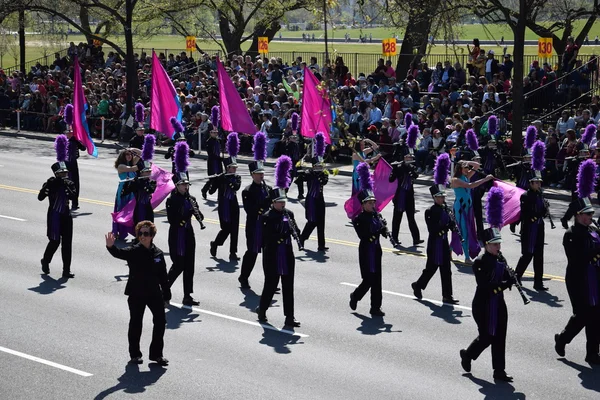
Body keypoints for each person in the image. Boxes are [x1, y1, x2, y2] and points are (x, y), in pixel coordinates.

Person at [105, 221, 170, 366]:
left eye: (146, 234)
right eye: (140, 233)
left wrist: (167, 294)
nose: (142, 236)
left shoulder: (158, 253)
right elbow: (119, 253)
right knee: (136, 323)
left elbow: (163, 276)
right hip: (137, 293)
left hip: (154, 293)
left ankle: (157, 355)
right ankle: (135, 355)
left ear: (152, 235)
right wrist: (110, 246)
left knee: (160, 322)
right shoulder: (134, 251)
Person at [459, 227, 515, 382]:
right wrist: (505, 283)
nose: (498, 247)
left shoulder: (500, 260)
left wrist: (511, 277)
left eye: (499, 244)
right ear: (486, 245)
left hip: (498, 304)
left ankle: (499, 371)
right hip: (483, 304)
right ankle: (468, 354)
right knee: (487, 336)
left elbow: (504, 277)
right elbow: (485, 285)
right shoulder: (479, 263)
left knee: (500, 336)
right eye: (495, 244)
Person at [554, 182, 600, 364]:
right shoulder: (571, 234)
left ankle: (592, 353)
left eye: (591, 214)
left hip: (594, 278)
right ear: (578, 215)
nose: (591, 216)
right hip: (578, 278)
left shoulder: (592, 230)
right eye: (587, 214)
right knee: (582, 314)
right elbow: (578, 258)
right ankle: (563, 338)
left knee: (596, 314)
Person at [256, 156, 301, 327]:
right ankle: (262, 310)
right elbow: (267, 237)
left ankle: (289, 317)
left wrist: (297, 234)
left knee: (288, 286)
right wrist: (283, 233)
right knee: (271, 284)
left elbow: (296, 229)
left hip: (287, 253)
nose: (283, 204)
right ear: (273, 202)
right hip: (272, 254)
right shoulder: (267, 217)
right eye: (279, 202)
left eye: (284, 201)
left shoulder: (289, 214)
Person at [166, 142, 205, 306]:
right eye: (183, 185)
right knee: (178, 265)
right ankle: (164, 290)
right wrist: (186, 214)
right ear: (177, 185)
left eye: (187, 184)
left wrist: (198, 215)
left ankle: (187, 295)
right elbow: (172, 220)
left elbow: (200, 214)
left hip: (189, 234)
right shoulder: (172, 200)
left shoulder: (191, 198)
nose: (186, 187)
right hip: (177, 235)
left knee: (190, 266)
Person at [349, 162, 386, 316]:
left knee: (377, 279)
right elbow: (363, 235)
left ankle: (375, 307)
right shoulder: (358, 219)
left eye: (373, 202)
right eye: (370, 203)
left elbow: (380, 232)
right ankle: (355, 295)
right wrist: (378, 229)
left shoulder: (377, 215)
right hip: (366, 250)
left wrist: (384, 229)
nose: (373, 205)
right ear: (363, 204)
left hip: (376, 249)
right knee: (368, 279)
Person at [412, 184, 458, 304]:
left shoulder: (446, 209)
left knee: (446, 270)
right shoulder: (430, 211)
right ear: (434, 197)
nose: (442, 199)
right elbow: (433, 229)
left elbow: (449, 223)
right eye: (439, 197)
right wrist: (446, 226)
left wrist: (453, 226)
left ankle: (447, 296)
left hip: (443, 242)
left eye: (443, 197)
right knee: (431, 268)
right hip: (434, 243)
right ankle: (418, 285)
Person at [39, 152, 77, 278]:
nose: (65, 175)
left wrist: (65, 185)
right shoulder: (51, 183)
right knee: (54, 242)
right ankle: (46, 260)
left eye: (65, 173)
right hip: (54, 215)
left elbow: (74, 197)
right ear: (56, 174)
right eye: (62, 173)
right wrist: (48, 186)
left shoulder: (69, 183)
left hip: (66, 215)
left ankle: (66, 270)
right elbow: (40, 198)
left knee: (67, 244)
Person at [450, 160, 493, 263]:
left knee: (465, 231)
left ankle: (449, 250)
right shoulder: (456, 180)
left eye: (468, 168)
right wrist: (485, 179)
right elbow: (470, 186)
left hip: (468, 208)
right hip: (460, 209)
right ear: (460, 169)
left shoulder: (466, 176)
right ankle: (467, 257)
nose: (468, 169)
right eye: (465, 168)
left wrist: (466, 162)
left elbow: (477, 165)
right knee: (463, 231)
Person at [514, 170, 548, 291]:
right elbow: (526, 213)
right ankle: (517, 276)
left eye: (540, 183)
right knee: (528, 254)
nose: (539, 185)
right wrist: (539, 213)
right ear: (531, 183)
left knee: (539, 256)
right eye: (536, 183)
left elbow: (542, 214)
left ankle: (538, 283)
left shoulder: (540, 195)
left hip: (539, 227)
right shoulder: (525, 196)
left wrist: (545, 209)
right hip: (529, 228)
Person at [209, 154, 242, 261]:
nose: (235, 169)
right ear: (227, 168)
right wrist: (214, 180)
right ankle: (215, 243)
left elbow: (236, 187)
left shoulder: (237, 177)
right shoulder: (221, 177)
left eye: (235, 167)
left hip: (233, 205)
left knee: (234, 230)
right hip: (224, 206)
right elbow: (211, 191)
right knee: (226, 229)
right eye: (233, 167)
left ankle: (233, 252)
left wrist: (227, 179)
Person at [298, 145, 329, 252]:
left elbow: (324, 181)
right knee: (312, 222)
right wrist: (301, 172)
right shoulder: (309, 173)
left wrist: (321, 175)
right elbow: (301, 179)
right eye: (318, 166)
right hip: (311, 200)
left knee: (321, 223)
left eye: (321, 165)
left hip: (320, 199)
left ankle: (321, 245)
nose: (320, 167)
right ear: (314, 166)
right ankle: (302, 238)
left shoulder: (323, 175)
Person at [389, 152, 422, 247]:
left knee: (411, 218)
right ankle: (394, 238)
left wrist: (409, 168)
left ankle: (416, 239)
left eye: (411, 157)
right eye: (408, 157)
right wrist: (394, 169)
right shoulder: (398, 166)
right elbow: (390, 179)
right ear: (404, 157)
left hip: (409, 196)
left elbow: (415, 176)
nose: (410, 158)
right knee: (397, 218)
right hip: (400, 196)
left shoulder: (412, 167)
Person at [113, 147, 143, 239]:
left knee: (132, 211)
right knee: (123, 210)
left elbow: (140, 152)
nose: (129, 156)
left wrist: (131, 148)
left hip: (132, 190)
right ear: (123, 156)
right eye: (127, 154)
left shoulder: (131, 163)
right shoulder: (121, 166)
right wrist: (143, 164)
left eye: (130, 154)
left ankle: (132, 230)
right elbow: (133, 169)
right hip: (124, 190)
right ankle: (120, 231)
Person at [65, 129, 86, 210]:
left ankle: (74, 203)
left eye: (70, 132)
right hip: (64, 164)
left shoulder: (75, 141)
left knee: (75, 183)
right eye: (68, 132)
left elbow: (83, 148)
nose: (69, 134)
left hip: (73, 163)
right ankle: (65, 201)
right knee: (65, 183)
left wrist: (78, 141)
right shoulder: (62, 140)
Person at [202, 128, 222, 199]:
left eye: (216, 132)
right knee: (212, 178)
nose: (215, 134)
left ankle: (219, 196)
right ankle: (204, 190)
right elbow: (210, 153)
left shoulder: (218, 140)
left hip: (218, 161)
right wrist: (217, 157)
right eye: (213, 132)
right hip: (212, 161)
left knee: (220, 178)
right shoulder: (209, 141)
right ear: (210, 133)